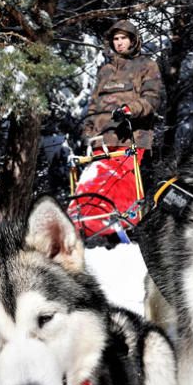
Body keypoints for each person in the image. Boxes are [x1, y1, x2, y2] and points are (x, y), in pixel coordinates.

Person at [70, 20, 162, 241]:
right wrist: (87, 130)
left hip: (130, 138)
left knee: (121, 185)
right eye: (116, 39)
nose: (119, 43)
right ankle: (86, 226)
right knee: (93, 184)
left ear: (133, 40)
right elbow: (94, 105)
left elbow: (151, 99)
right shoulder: (105, 71)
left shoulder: (147, 66)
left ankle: (125, 229)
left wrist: (130, 110)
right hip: (102, 141)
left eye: (124, 38)